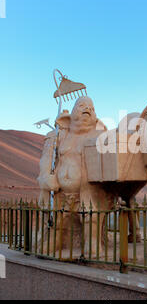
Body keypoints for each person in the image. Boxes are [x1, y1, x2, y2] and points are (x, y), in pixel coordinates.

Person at [38, 96, 112, 254]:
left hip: (87, 192)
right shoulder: (57, 135)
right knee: (56, 223)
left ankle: (92, 246)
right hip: (60, 193)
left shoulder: (98, 136)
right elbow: (47, 158)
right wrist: (45, 176)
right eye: (82, 106)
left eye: (91, 108)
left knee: (91, 219)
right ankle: (53, 242)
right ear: (69, 116)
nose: (88, 109)